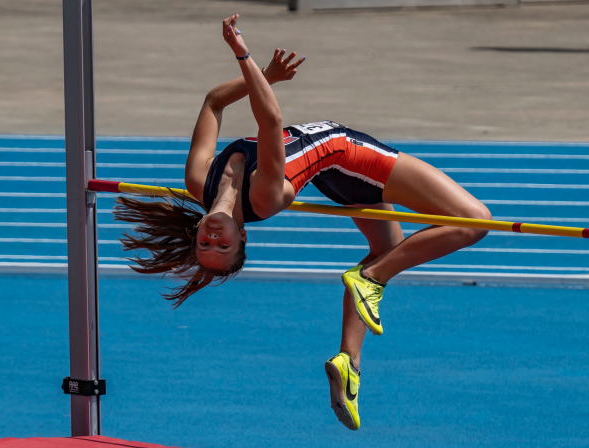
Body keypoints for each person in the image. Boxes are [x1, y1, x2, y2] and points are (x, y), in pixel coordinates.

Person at [114, 14, 492, 431]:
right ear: (242, 236)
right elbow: (270, 122)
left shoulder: (198, 180)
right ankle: (371, 279)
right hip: (350, 158)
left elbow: (213, 103)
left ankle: (349, 360)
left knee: (387, 249)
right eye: (224, 247)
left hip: (335, 178)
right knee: (476, 221)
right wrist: (244, 55)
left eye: (206, 246)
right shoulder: (265, 196)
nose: (213, 240)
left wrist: (267, 77)